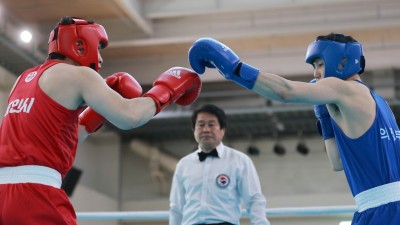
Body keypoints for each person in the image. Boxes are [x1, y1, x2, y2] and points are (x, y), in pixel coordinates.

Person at [0, 16, 202, 225]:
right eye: (98, 49)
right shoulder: (80, 75)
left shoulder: (23, 79)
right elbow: (130, 116)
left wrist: (97, 114)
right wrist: (168, 88)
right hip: (36, 195)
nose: (100, 59)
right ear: (80, 44)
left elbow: (57, 138)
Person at [188, 33, 400, 224]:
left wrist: (234, 68)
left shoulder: (342, 88)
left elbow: (285, 92)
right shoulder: (380, 103)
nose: (316, 73)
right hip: (381, 208)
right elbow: (337, 162)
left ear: (341, 60)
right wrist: (324, 117)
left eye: (319, 64)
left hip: (384, 212)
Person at [169, 104, 270, 225]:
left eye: (211, 124)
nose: (206, 129)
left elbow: (254, 200)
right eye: (201, 125)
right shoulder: (184, 164)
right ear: (194, 130)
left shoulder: (240, 161)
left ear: (222, 130)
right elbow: (176, 207)